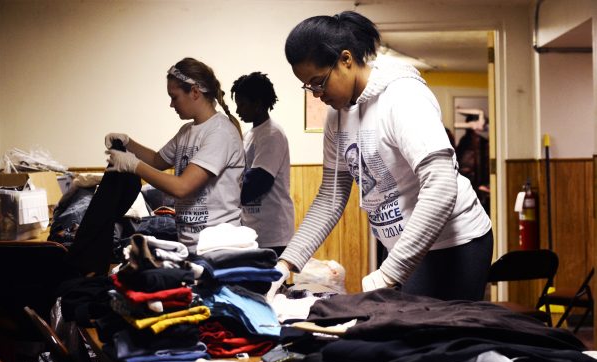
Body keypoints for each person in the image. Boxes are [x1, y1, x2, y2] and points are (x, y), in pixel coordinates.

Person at [268, 11, 493, 301]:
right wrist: (285, 265)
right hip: (404, 242)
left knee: (433, 340)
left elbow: (441, 185)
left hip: (453, 242)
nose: (316, 94)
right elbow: (331, 197)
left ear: (346, 60)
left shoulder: (403, 97)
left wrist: (389, 273)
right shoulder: (337, 116)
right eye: (308, 86)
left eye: (318, 82)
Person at [105, 57, 245, 251]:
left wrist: (134, 165)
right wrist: (128, 143)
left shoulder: (220, 132)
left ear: (195, 92)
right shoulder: (187, 131)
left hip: (219, 247)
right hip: (190, 243)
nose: (172, 104)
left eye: (175, 97)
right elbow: (157, 161)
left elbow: (182, 187)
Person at [230, 72, 295, 255]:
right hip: (254, 229)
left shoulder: (272, 135)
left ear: (258, 104)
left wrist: (223, 195)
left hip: (273, 234)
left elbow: (256, 184)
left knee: (270, 284)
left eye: (242, 104)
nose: (238, 110)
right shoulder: (250, 134)